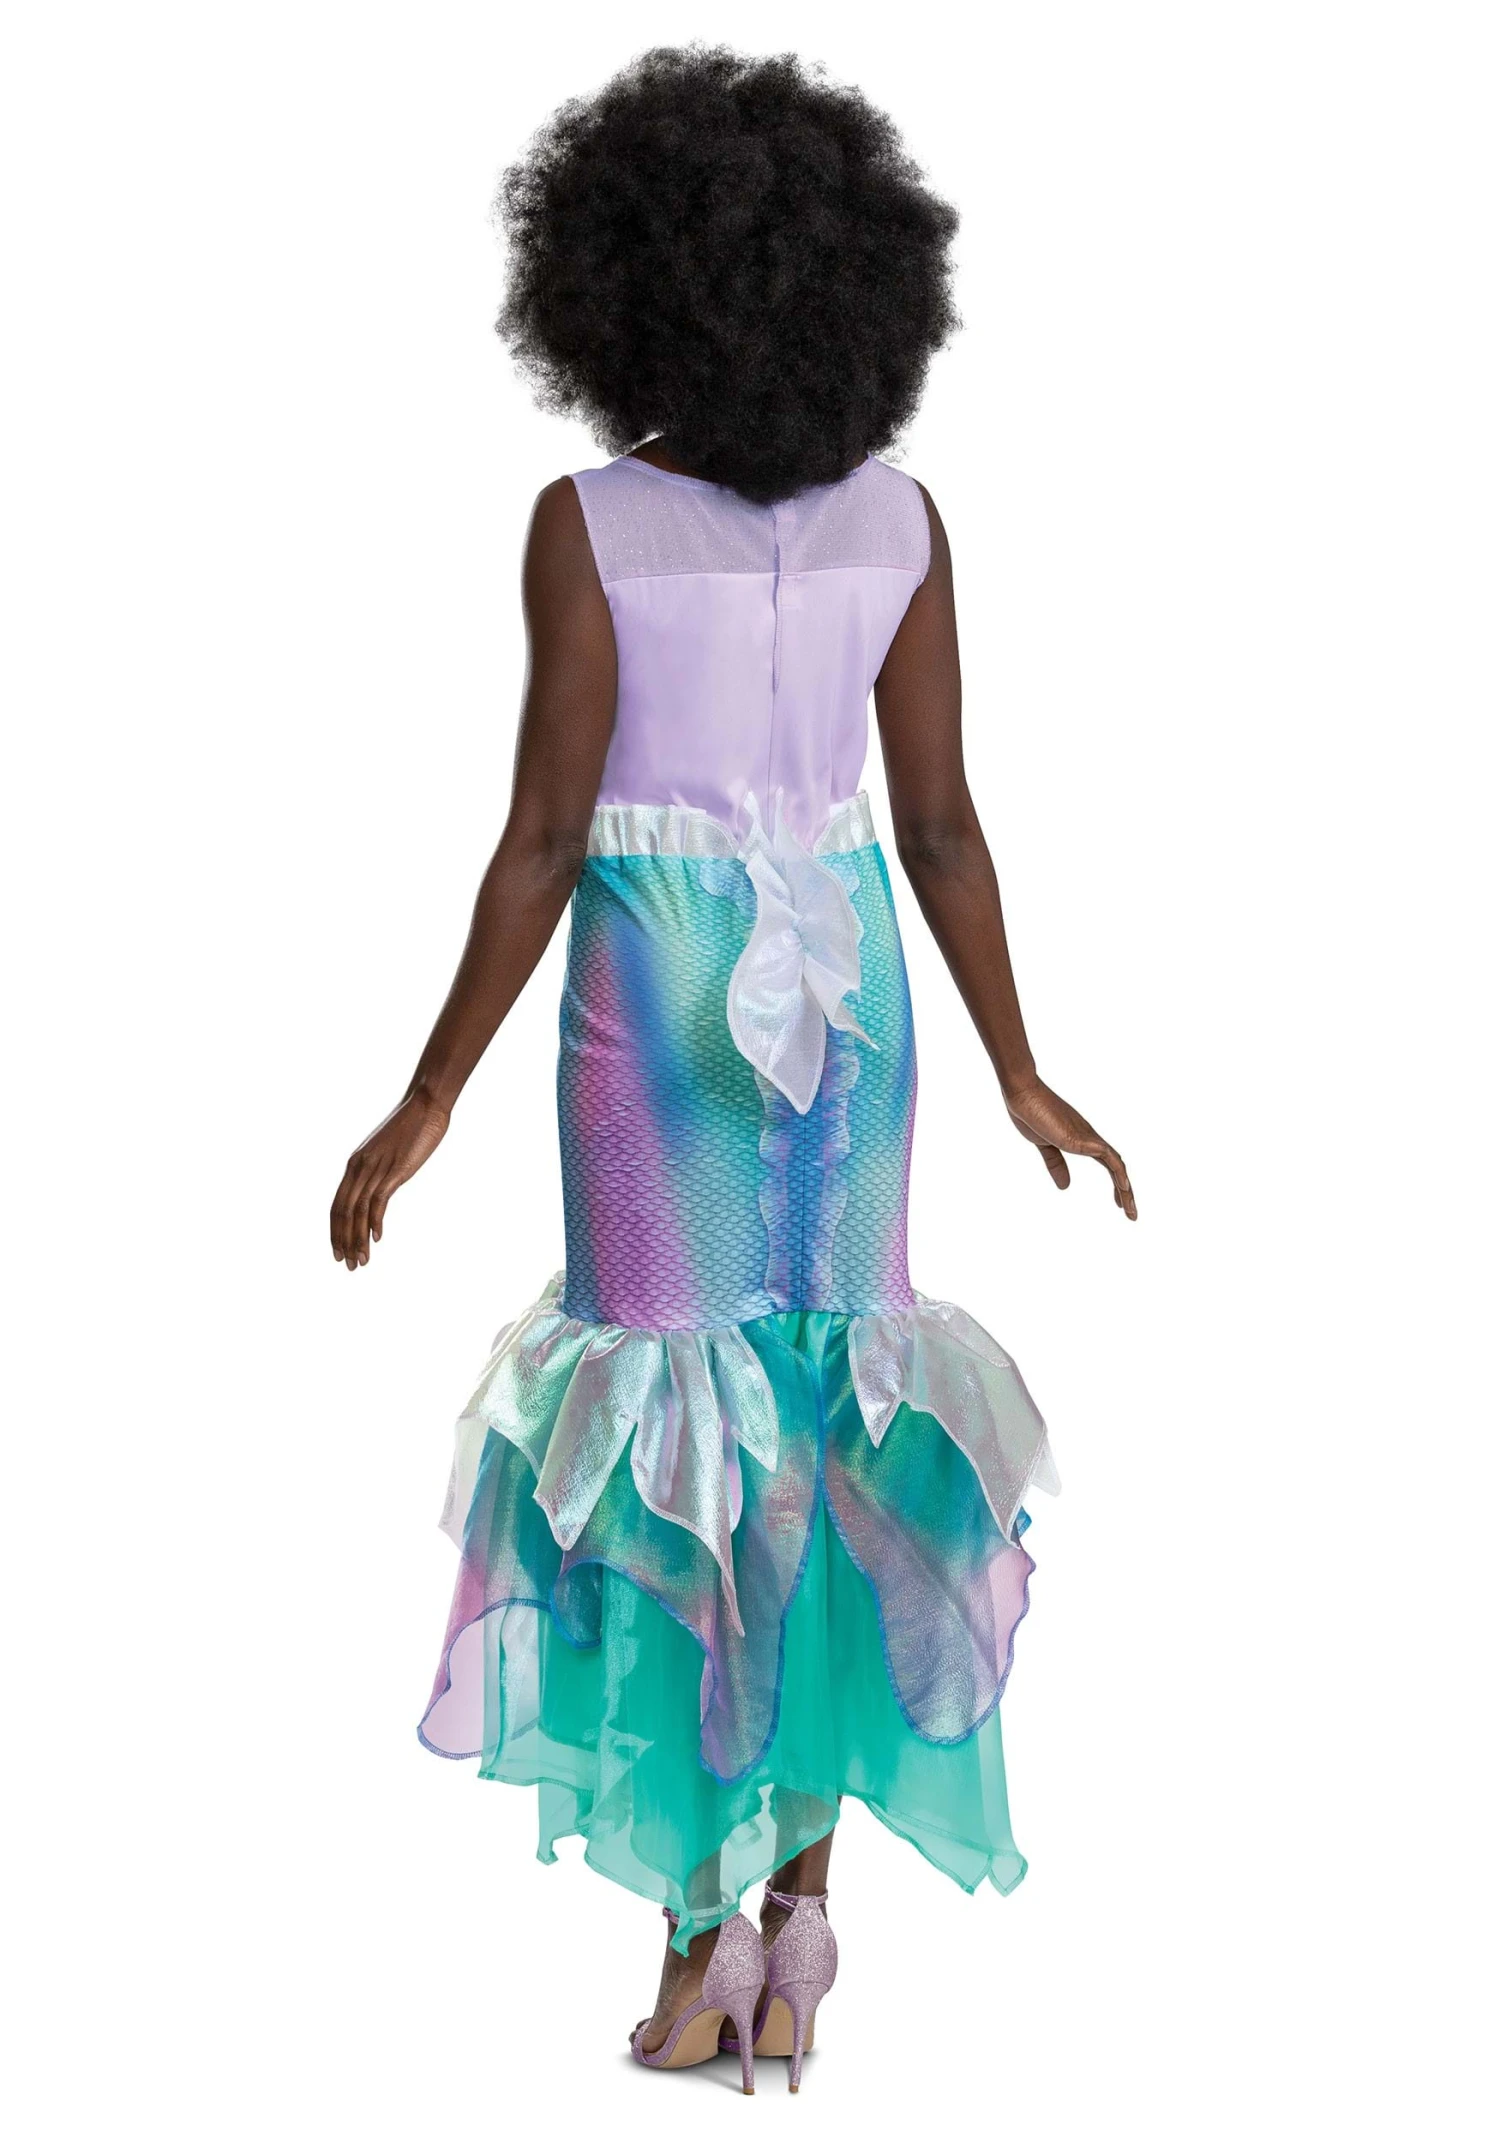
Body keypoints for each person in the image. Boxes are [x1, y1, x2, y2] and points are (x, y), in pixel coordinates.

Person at [330, 44, 1134, 2091]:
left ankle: (700, 1953)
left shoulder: (592, 526)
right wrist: (1016, 1065)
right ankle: (799, 1932)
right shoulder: (900, 522)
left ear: (627, 291)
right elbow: (938, 825)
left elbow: (544, 837)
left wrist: (429, 1094)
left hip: (661, 991)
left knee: (682, 1440)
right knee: (838, 1414)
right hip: (851, 997)